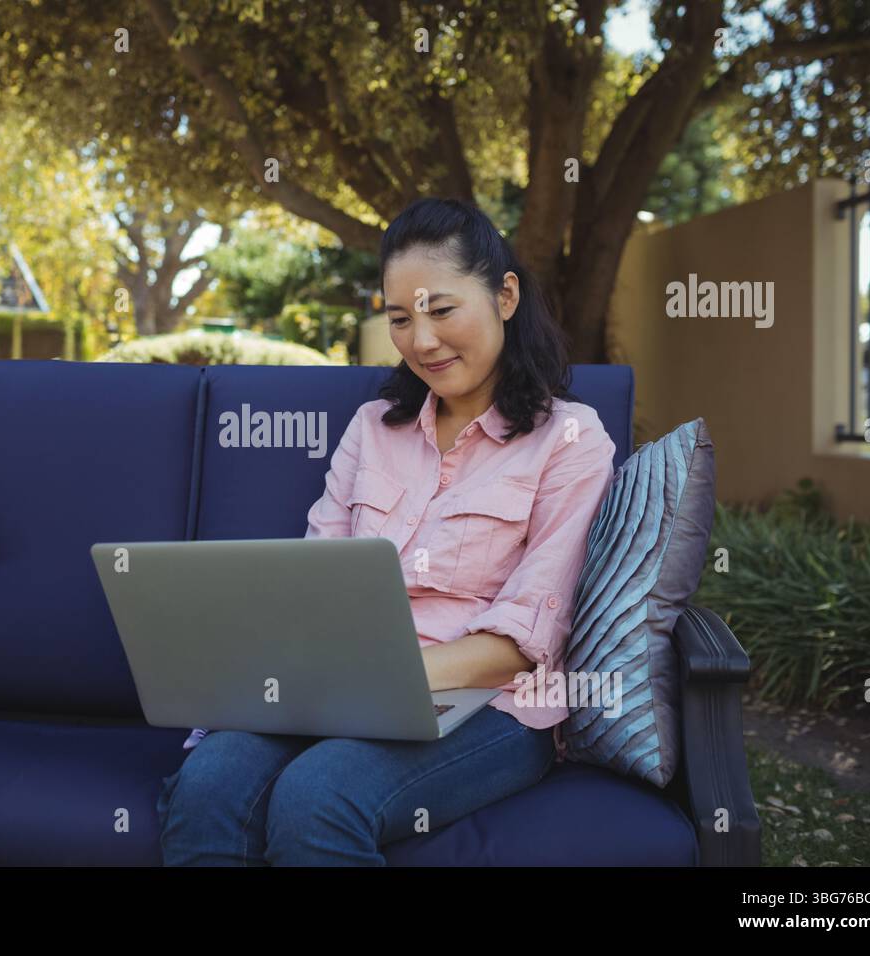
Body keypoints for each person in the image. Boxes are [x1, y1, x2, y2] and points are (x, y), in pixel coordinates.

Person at [156, 197, 616, 865]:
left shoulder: (570, 441)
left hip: (491, 705)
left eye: (441, 309)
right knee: (208, 786)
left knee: (319, 795)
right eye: (400, 318)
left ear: (505, 295)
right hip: (339, 687)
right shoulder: (374, 428)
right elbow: (316, 581)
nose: (421, 340)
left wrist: (375, 679)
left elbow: (526, 640)